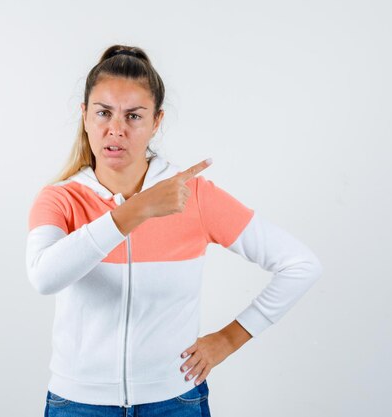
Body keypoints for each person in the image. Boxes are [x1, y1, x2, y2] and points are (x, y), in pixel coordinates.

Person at [25, 44, 323, 417]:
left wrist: (229, 339)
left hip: (175, 401)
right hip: (78, 403)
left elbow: (300, 264)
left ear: (156, 121)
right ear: (84, 116)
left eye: (134, 116)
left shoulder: (193, 195)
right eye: (103, 112)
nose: (116, 129)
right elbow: (44, 277)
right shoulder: (60, 199)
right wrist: (138, 210)